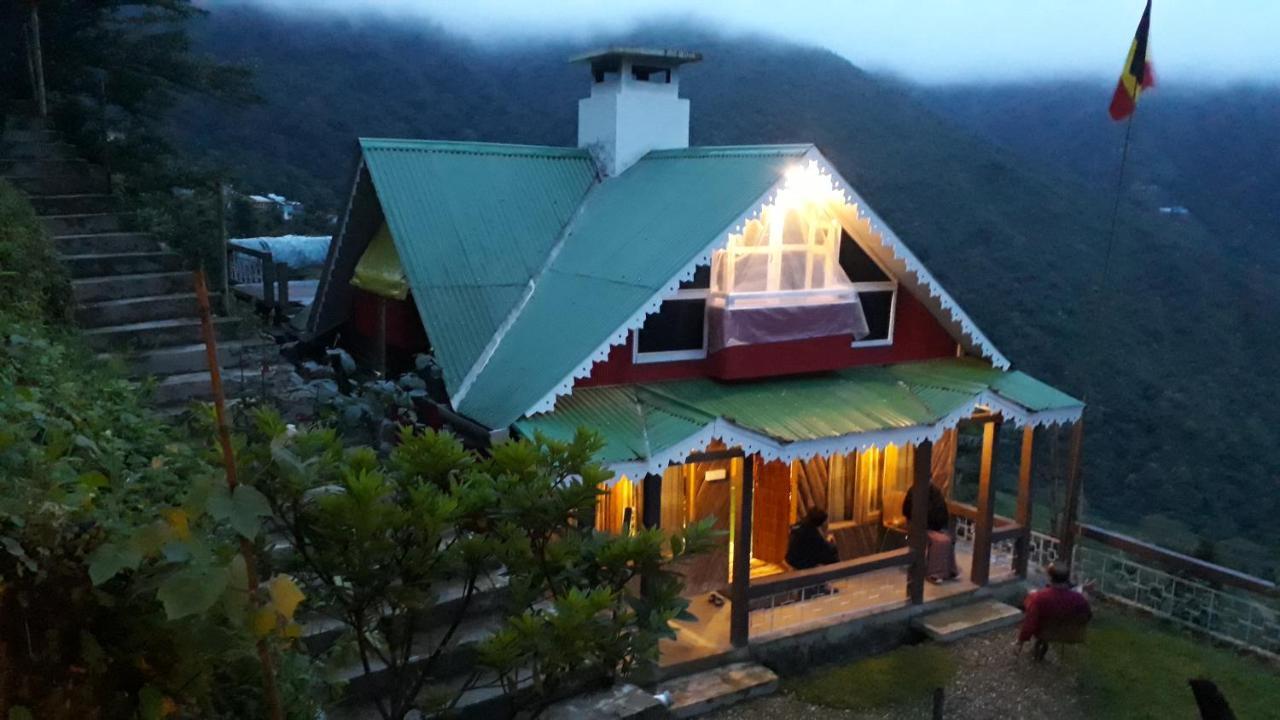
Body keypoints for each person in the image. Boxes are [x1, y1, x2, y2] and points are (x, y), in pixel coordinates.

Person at [1018, 563, 1093, 660]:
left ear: (1049, 578)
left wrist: (1021, 641)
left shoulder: (1038, 598)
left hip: (1044, 632)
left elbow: (1030, 622)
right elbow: (1088, 616)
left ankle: (1040, 647)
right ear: (1067, 578)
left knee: (1030, 605)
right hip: (1070, 634)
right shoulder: (1079, 599)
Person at [902, 483, 958, 582]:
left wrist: (937, 522)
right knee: (940, 541)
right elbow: (907, 510)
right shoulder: (914, 491)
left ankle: (949, 570)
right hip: (918, 525)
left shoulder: (935, 491)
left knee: (947, 539)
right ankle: (935, 573)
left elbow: (941, 510)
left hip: (934, 525)